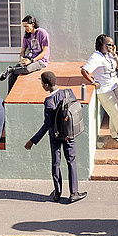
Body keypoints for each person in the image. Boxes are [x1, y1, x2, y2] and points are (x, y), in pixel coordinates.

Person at [25, 71, 86, 203]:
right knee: (71, 161)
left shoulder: (48, 101)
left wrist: (33, 141)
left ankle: (57, 193)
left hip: (55, 136)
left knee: (56, 163)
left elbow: (47, 125)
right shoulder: (68, 92)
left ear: (47, 85)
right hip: (69, 135)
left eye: (42, 83)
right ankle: (74, 192)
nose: (41, 85)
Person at [81, 34, 118, 143]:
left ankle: (114, 133)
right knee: (116, 112)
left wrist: (115, 55)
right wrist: (93, 82)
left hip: (115, 85)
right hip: (104, 90)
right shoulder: (96, 56)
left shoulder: (110, 55)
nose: (112, 47)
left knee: (116, 112)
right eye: (109, 44)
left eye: (113, 45)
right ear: (102, 44)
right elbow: (84, 71)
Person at [0, 15, 50, 95]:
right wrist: (22, 58)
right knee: (12, 76)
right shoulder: (26, 35)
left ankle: (10, 69)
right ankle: (10, 95)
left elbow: (44, 52)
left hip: (40, 60)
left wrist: (32, 60)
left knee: (28, 69)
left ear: (33, 24)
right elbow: (23, 51)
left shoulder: (42, 33)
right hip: (28, 58)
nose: (25, 28)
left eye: (26, 26)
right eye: (24, 26)